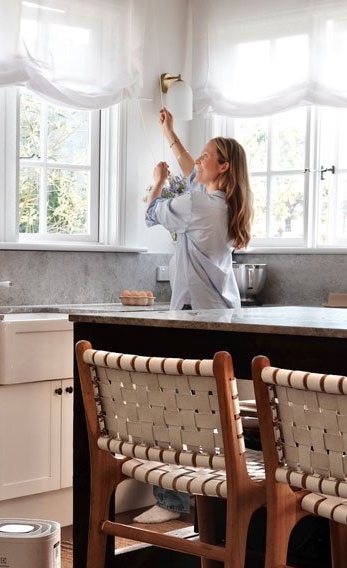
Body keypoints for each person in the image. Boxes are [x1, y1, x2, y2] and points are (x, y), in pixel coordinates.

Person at [134, 108, 253, 525]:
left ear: (223, 168)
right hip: (222, 314)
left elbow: (151, 214)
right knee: (213, 413)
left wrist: (158, 183)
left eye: (206, 157)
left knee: (175, 412)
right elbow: (194, 173)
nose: (197, 161)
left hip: (190, 315)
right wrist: (171, 135)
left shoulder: (197, 204)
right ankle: (209, 505)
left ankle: (173, 505)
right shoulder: (221, 202)